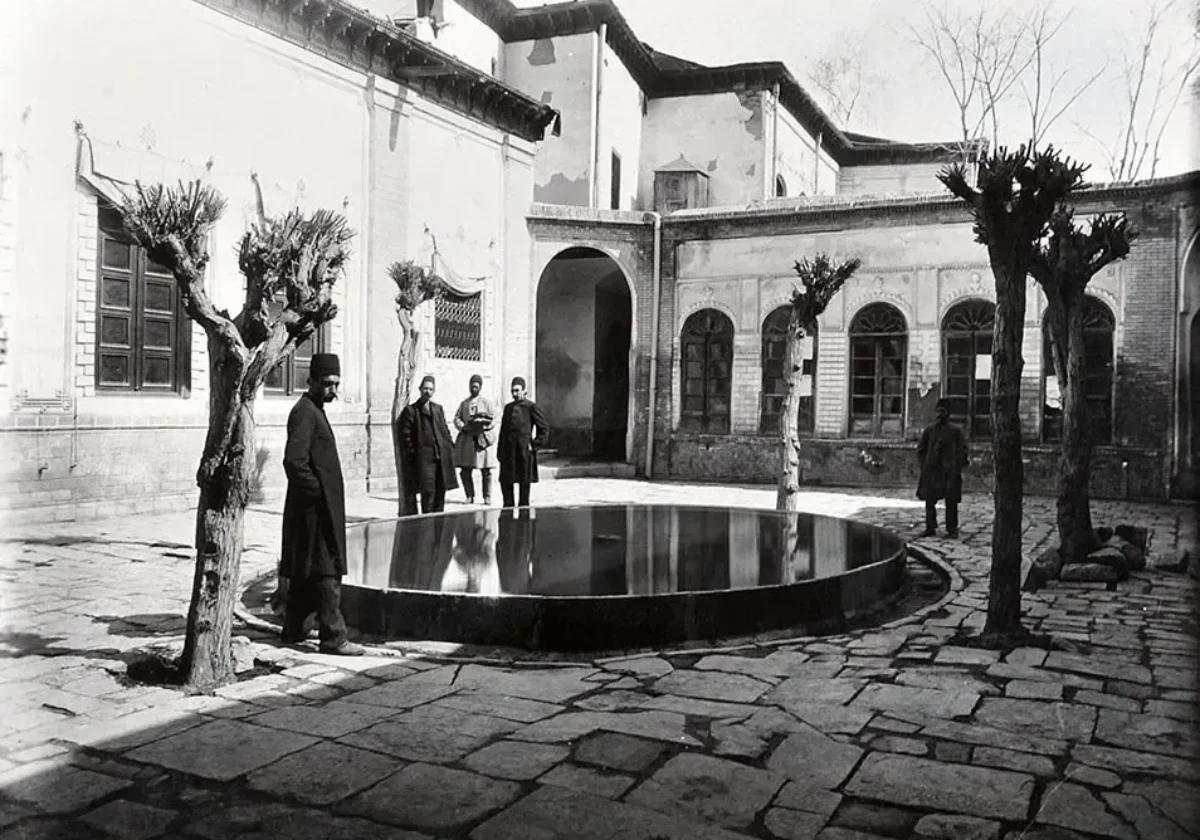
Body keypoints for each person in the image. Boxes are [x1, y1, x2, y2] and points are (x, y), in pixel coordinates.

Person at [279, 352, 363, 655]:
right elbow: (294, 462)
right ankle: (334, 638)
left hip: (312, 510)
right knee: (327, 570)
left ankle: (295, 628)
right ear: (311, 380)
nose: (333, 390)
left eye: (337, 384)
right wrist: (319, 493)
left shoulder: (314, 409)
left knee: (306, 568)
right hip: (315, 510)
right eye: (328, 383)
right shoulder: (304, 412)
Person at [397, 374, 459, 514]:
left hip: (441, 460)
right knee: (428, 495)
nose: (427, 392)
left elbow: (445, 431)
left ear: (434, 391)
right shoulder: (411, 411)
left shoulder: (437, 409)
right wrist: (414, 455)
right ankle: (427, 526)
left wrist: (450, 448)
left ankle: (439, 526)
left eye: (430, 389)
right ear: (420, 389)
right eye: (425, 389)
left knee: (440, 495)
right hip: (424, 462)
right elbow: (406, 436)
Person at [916, 398, 970, 538]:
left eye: (943, 411)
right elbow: (921, 450)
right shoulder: (929, 431)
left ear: (948, 414)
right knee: (929, 500)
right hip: (932, 471)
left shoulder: (955, 432)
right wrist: (925, 465)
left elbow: (963, 452)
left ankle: (952, 529)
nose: (940, 414)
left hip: (949, 472)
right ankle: (930, 527)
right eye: (938, 411)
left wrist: (956, 468)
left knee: (951, 501)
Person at [497, 376, 549, 508]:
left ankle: (524, 518)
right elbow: (503, 432)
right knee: (506, 485)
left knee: (524, 489)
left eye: (517, 390)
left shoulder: (531, 407)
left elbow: (544, 428)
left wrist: (534, 444)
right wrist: (500, 452)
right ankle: (507, 517)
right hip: (508, 453)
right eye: (512, 391)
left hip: (524, 453)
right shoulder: (508, 408)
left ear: (524, 391)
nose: (514, 394)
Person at [452, 374, 497, 505]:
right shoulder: (464, 404)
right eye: (472, 386)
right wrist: (463, 426)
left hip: (482, 440)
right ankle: (469, 495)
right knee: (465, 470)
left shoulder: (487, 403)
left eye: (476, 386)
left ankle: (487, 496)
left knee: (486, 470)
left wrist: (485, 424)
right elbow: (457, 418)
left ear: (480, 387)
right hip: (468, 440)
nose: (474, 389)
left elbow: (494, 418)